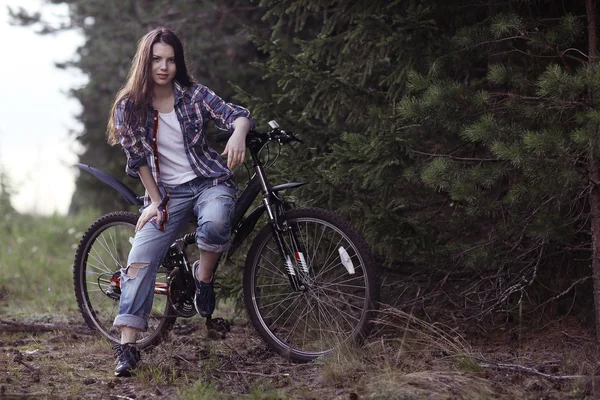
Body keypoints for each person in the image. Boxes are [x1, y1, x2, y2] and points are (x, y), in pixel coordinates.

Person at [105, 27, 253, 377]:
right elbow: (137, 159)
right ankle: (127, 346)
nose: (163, 66)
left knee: (217, 220)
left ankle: (203, 279)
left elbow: (239, 114)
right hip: (165, 195)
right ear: (145, 62)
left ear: (178, 63)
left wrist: (239, 133)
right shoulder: (129, 107)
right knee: (140, 258)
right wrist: (155, 203)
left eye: (170, 60)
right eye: (156, 59)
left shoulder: (194, 95)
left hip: (209, 182)